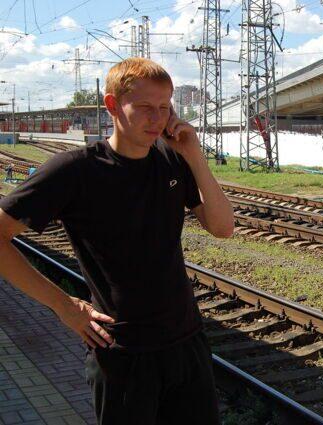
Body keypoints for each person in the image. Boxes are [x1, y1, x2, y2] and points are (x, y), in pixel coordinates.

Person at [0, 58, 234, 424]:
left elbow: (222, 227)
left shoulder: (171, 160)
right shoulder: (75, 171)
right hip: (123, 354)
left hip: (187, 344)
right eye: (143, 107)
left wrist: (193, 154)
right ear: (111, 105)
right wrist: (62, 305)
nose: (156, 118)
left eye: (163, 107)